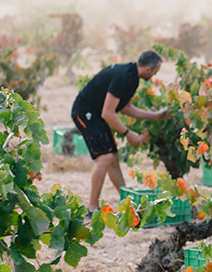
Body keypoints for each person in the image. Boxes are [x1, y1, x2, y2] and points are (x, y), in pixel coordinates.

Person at [71, 50, 171, 211]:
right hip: (85, 113)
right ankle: (92, 207)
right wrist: (128, 133)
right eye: (155, 72)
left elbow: (125, 108)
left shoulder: (132, 78)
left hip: (97, 114)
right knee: (105, 157)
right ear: (148, 70)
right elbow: (108, 113)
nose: (154, 76)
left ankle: (128, 202)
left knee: (113, 157)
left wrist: (155, 116)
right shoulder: (122, 77)